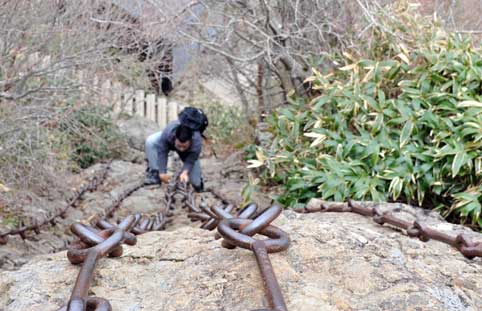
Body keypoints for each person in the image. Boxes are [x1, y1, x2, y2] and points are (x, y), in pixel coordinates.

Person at [144, 120, 203, 191]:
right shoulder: (167, 133)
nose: (181, 149)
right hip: (168, 139)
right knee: (150, 141)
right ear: (175, 138)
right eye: (179, 146)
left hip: (188, 153)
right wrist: (162, 173)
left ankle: (199, 178)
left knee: (196, 183)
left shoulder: (196, 142)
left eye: (184, 146)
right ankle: (155, 173)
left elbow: (191, 160)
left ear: (190, 142)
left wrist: (185, 172)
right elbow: (162, 152)